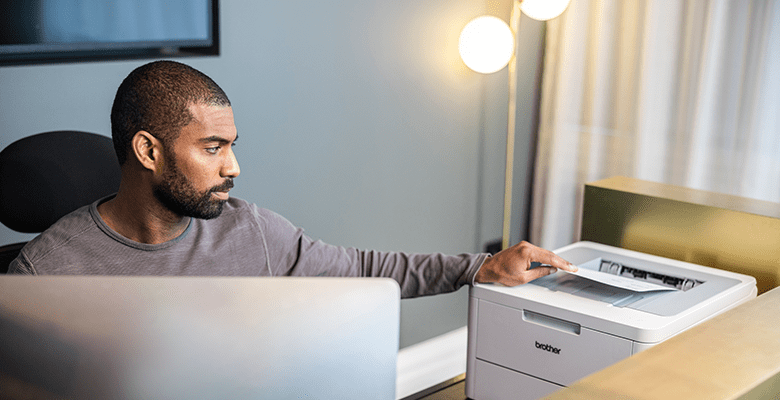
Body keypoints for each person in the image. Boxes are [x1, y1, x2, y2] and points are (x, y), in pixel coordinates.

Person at [7, 60, 576, 298]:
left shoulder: (248, 229)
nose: (233, 167)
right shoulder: (47, 270)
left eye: (232, 147)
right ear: (148, 151)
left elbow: (363, 270)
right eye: (212, 148)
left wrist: (480, 267)